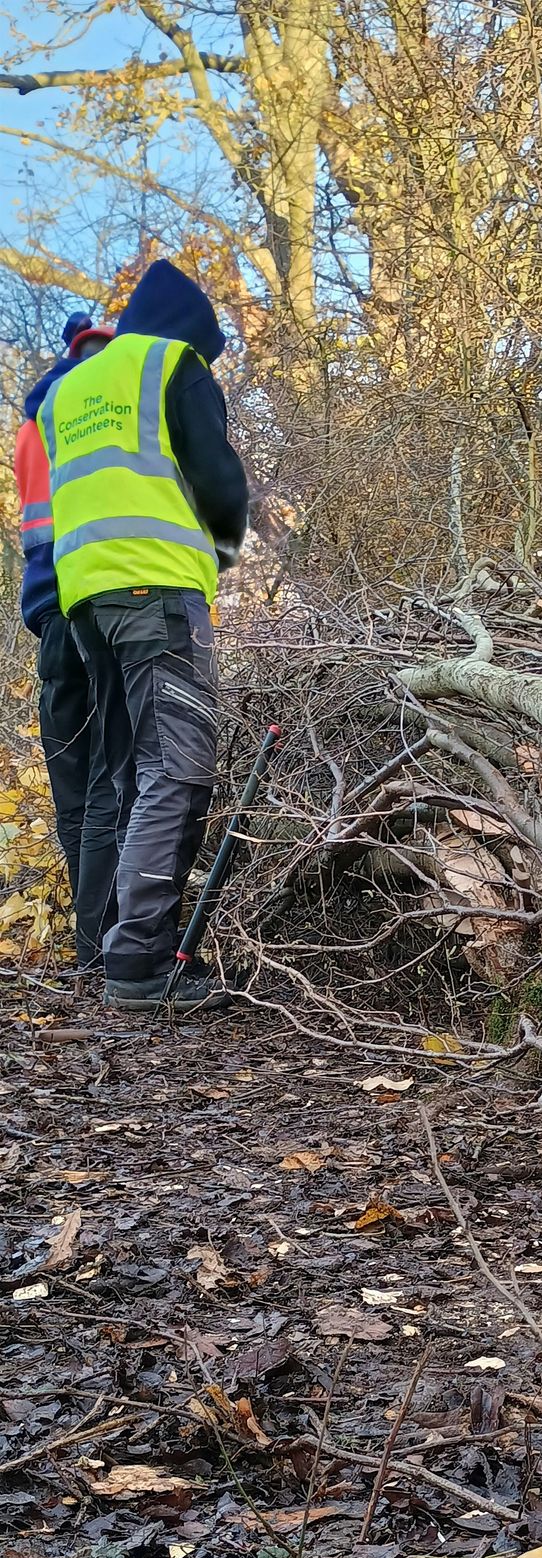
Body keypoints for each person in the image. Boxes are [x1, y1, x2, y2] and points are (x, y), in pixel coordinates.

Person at [37, 258, 249, 1011]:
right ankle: (139, 964)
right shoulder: (172, 363)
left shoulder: (67, 391)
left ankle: (121, 947)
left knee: (130, 773)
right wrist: (224, 554)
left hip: (86, 602)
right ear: (188, 331)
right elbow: (219, 481)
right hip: (156, 590)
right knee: (178, 770)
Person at [14, 311, 121, 970]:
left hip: (49, 618)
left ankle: (91, 950)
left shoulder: (34, 423)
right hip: (96, 608)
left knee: (75, 792)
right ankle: (112, 948)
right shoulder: (99, 413)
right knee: (111, 783)